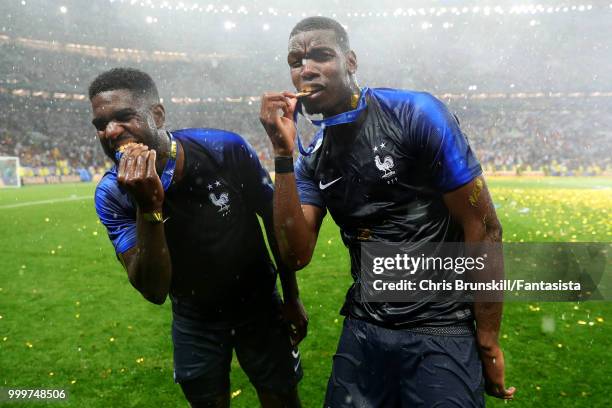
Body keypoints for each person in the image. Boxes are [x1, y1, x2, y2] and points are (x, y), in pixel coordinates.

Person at [260, 17, 516, 406]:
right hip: (365, 326)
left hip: (441, 327)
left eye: (321, 56)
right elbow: (295, 255)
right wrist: (282, 155)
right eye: (296, 61)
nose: (306, 69)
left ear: (351, 61)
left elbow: (483, 226)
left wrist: (488, 340)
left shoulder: (416, 114)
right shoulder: (312, 156)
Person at [90, 67, 306, 408]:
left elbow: (273, 222)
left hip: (260, 305)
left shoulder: (224, 149)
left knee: (281, 397)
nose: (111, 131)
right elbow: (154, 289)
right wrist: (149, 209)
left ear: (157, 115)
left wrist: (291, 297)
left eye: (124, 117)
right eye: (100, 124)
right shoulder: (112, 194)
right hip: (194, 318)